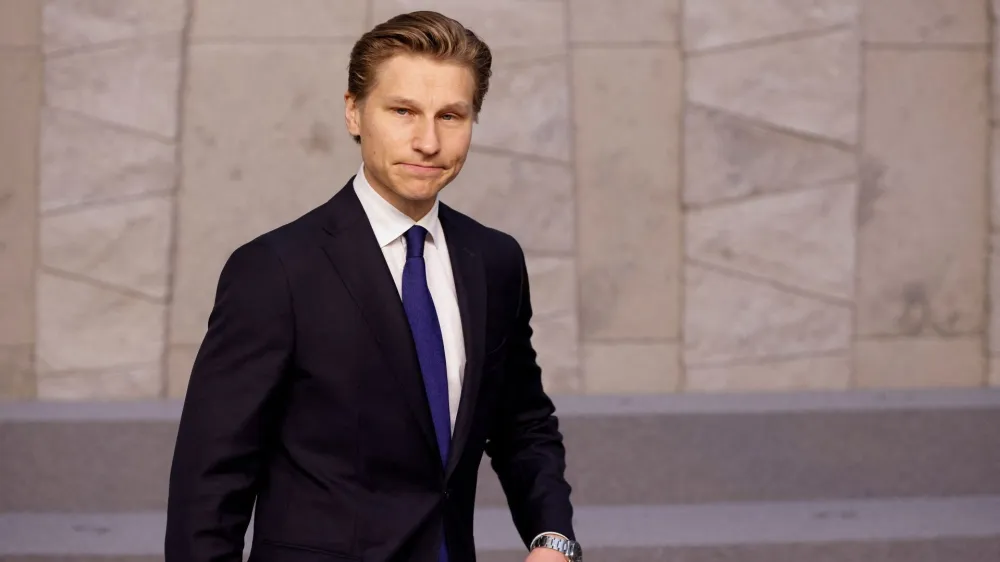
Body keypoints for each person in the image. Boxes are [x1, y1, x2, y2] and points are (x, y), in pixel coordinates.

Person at [164, 10, 582, 562]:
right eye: (403, 111)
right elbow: (210, 481)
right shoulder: (275, 270)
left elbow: (522, 422)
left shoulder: (494, 260)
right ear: (353, 112)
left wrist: (553, 537)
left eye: (451, 116)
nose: (427, 141)